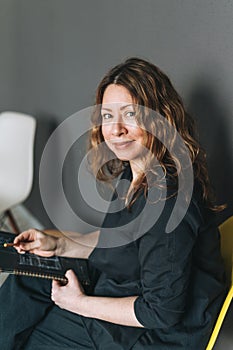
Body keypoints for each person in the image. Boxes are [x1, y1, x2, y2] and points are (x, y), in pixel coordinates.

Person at [0, 57, 226, 350]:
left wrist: (80, 304)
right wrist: (59, 246)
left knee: (34, 334)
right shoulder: (136, 171)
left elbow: (161, 312)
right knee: (29, 278)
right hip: (124, 286)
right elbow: (121, 241)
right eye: (107, 116)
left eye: (130, 114)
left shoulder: (167, 203)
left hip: (149, 334)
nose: (115, 129)